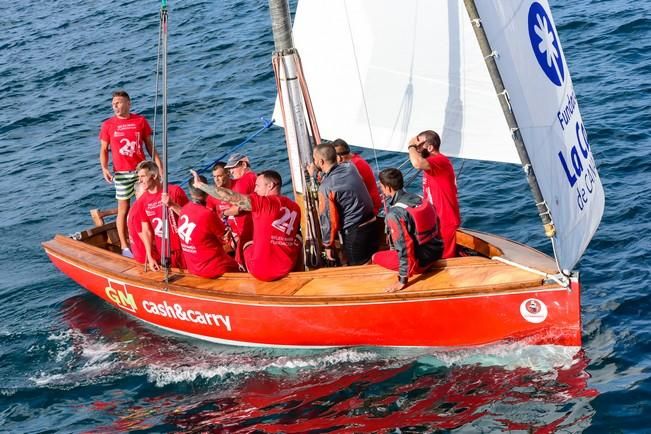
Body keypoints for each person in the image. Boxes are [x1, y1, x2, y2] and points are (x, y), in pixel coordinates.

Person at [191, 169, 302, 281]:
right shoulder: (295, 207)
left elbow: (229, 196)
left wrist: (201, 185)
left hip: (261, 272)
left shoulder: (262, 203)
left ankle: (243, 272)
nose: (255, 189)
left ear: (270, 186)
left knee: (247, 244)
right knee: (297, 238)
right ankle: (301, 272)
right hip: (286, 268)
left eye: (258, 186)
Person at [99, 90, 162, 258]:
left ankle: (154, 238)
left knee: (148, 204)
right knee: (123, 209)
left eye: (118, 103)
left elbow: (150, 146)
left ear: (128, 103)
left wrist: (159, 166)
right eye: (113, 104)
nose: (115, 106)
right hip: (120, 174)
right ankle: (125, 247)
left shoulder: (140, 121)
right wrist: (104, 168)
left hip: (141, 171)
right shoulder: (108, 125)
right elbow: (104, 150)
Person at [372, 168, 443, 292]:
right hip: (437, 252)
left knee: (375, 257)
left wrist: (402, 280)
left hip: (421, 263)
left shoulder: (394, 215)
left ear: (388, 188)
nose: (381, 189)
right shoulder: (419, 198)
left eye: (382, 187)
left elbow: (405, 247)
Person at [311, 143, 378, 265]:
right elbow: (333, 175)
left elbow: (328, 219)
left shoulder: (325, 188)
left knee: (359, 268)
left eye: (314, 159)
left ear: (320, 162)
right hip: (373, 222)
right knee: (371, 260)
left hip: (355, 232)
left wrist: (328, 245)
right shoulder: (350, 167)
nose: (313, 162)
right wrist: (316, 175)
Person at [407, 130, 460, 259]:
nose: (417, 150)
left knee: (446, 261)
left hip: (445, 221)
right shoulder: (431, 164)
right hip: (435, 221)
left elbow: (416, 163)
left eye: (420, 146)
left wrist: (411, 145)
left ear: (430, 147)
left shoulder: (439, 161)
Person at [132, 160, 188, 271]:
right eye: (139, 177)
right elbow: (146, 230)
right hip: (165, 252)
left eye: (143, 176)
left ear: (154, 175)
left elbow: (190, 217)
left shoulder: (174, 191)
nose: (140, 180)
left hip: (184, 248)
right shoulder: (142, 202)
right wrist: (150, 256)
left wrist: (172, 205)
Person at [178, 175, 238, 278]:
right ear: (207, 189)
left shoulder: (183, 210)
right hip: (213, 267)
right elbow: (225, 238)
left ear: (191, 192)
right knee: (237, 261)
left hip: (193, 267)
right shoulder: (207, 214)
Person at [333, 138, 382, 215]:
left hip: (371, 209)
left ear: (339, 158)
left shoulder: (353, 167)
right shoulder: (356, 159)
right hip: (372, 203)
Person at [224, 153, 256, 264]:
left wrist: (224, 213)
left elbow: (238, 208)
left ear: (243, 164)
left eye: (233, 167)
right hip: (255, 225)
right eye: (229, 169)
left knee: (242, 259)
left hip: (246, 228)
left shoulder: (243, 182)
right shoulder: (255, 177)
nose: (231, 172)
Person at [126, 181, 155, 264]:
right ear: (136, 194)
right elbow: (146, 239)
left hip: (140, 253)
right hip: (146, 257)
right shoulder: (138, 212)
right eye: (144, 194)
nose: (146, 197)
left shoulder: (136, 206)